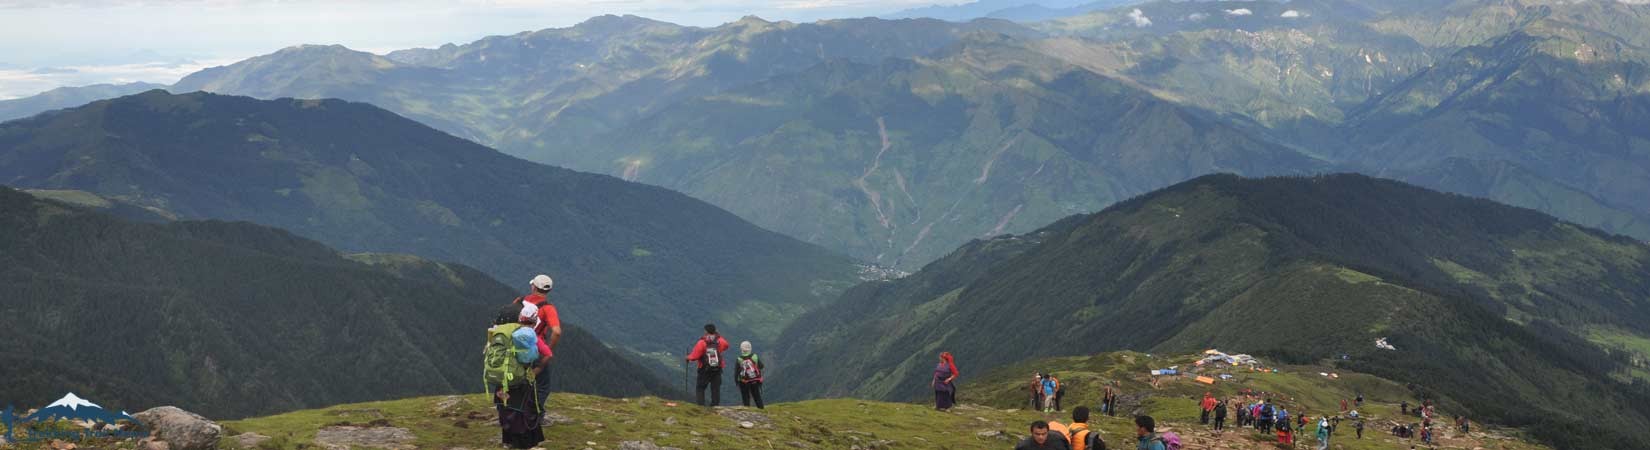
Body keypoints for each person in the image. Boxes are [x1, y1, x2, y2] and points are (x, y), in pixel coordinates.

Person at [487, 304, 546, 449]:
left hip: (502, 382)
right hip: (519, 383)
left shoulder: (498, 334)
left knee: (506, 412)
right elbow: (531, 358)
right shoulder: (522, 334)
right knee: (523, 417)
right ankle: (523, 445)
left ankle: (509, 442)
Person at [517, 275, 562, 412]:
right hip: (535, 349)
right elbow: (557, 332)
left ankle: (516, 410)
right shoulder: (548, 308)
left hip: (516, 345)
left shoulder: (520, 301)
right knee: (542, 386)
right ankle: (534, 416)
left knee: (518, 380)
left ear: (534, 287)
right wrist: (547, 353)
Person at [686, 323, 730, 406]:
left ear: (706, 331)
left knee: (700, 388)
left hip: (704, 369)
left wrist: (688, 357)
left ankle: (701, 406)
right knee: (715, 389)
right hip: (717, 368)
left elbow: (695, 356)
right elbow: (727, 346)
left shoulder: (702, 342)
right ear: (715, 330)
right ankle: (715, 406)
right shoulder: (720, 341)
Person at [735, 341, 765, 409]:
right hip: (754, 380)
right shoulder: (755, 356)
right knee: (756, 395)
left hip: (744, 381)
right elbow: (761, 366)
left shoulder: (739, 359)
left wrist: (736, 381)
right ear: (750, 348)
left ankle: (747, 409)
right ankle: (761, 408)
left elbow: (736, 372)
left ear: (741, 349)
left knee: (745, 396)